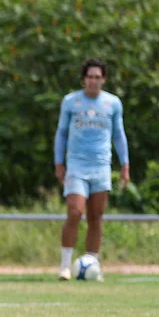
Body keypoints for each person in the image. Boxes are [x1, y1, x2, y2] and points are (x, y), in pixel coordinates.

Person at [54, 58, 129, 280]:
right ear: (83, 79)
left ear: (103, 79)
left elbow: (118, 134)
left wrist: (125, 164)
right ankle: (65, 267)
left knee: (96, 216)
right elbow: (61, 133)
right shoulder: (70, 101)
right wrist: (59, 163)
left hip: (101, 166)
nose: (93, 81)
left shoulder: (113, 103)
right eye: (89, 77)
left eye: (97, 77)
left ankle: (92, 264)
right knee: (75, 212)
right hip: (76, 165)